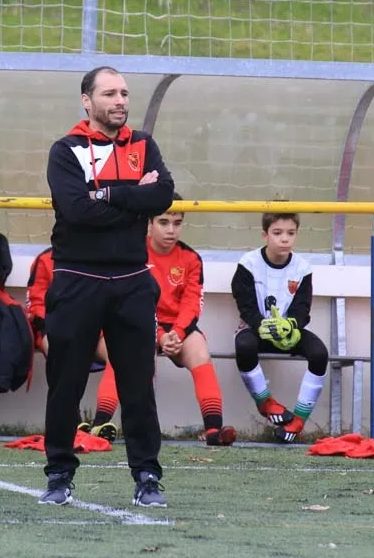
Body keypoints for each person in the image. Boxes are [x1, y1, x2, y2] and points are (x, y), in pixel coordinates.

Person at [40, 66, 174, 508]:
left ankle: (147, 476)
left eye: (124, 94)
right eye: (110, 93)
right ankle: (59, 474)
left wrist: (107, 195)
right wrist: (134, 197)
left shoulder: (143, 144)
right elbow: (76, 211)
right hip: (77, 280)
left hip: (133, 281)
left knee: (138, 386)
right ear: (87, 101)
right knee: (66, 385)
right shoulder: (66, 150)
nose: (120, 101)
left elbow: (163, 196)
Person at [78, 195, 236, 446]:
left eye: (177, 223)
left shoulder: (191, 258)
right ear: (149, 224)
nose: (171, 230)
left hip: (175, 330)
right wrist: (159, 335)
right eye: (164, 222)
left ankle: (214, 431)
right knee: (129, 353)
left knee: (200, 351)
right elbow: (130, 302)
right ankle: (100, 424)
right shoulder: (132, 252)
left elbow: (192, 303)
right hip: (135, 323)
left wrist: (177, 334)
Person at [231, 211, 328, 443]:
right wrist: (261, 324)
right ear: (265, 235)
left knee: (319, 353)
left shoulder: (302, 268)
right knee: (243, 345)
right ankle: (265, 403)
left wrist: (290, 325)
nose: (284, 239)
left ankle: (297, 421)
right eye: (277, 233)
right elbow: (245, 304)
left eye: (291, 233)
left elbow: (303, 308)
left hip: (288, 332)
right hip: (258, 330)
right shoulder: (248, 264)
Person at [25, 248, 114, 439]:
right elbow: (36, 303)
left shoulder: (100, 256)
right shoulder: (46, 259)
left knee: (119, 355)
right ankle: (74, 421)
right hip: (54, 327)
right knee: (59, 354)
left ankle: (100, 423)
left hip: (93, 328)